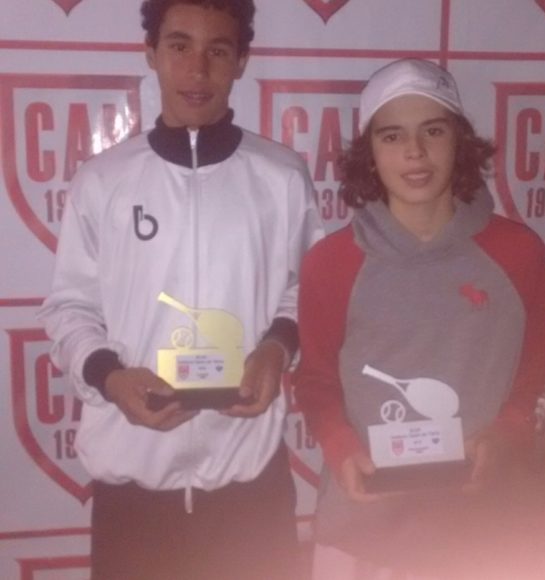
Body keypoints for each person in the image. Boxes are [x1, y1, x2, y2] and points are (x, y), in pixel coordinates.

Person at [38, 1, 323, 579]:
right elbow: (71, 308)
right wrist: (109, 377)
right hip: (134, 494)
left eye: (218, 50)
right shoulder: (103, 181)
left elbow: (308, 291)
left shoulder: (282, 176)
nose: (197, 69)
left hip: (250, 486)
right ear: (151, 54)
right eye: (179, 46)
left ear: (241, 61)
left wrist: (276, 349)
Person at [293, 59, 545, 580]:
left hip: (488, 536)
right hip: (366, 536)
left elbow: (543, 362)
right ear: (370, 153)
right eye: (392, 136)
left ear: (459, 141)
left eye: (433, 131)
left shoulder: (518, 252)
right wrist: (342, 448)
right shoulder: (331, 263)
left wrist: (506, 433)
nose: (415, 152)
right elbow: (315, 380)